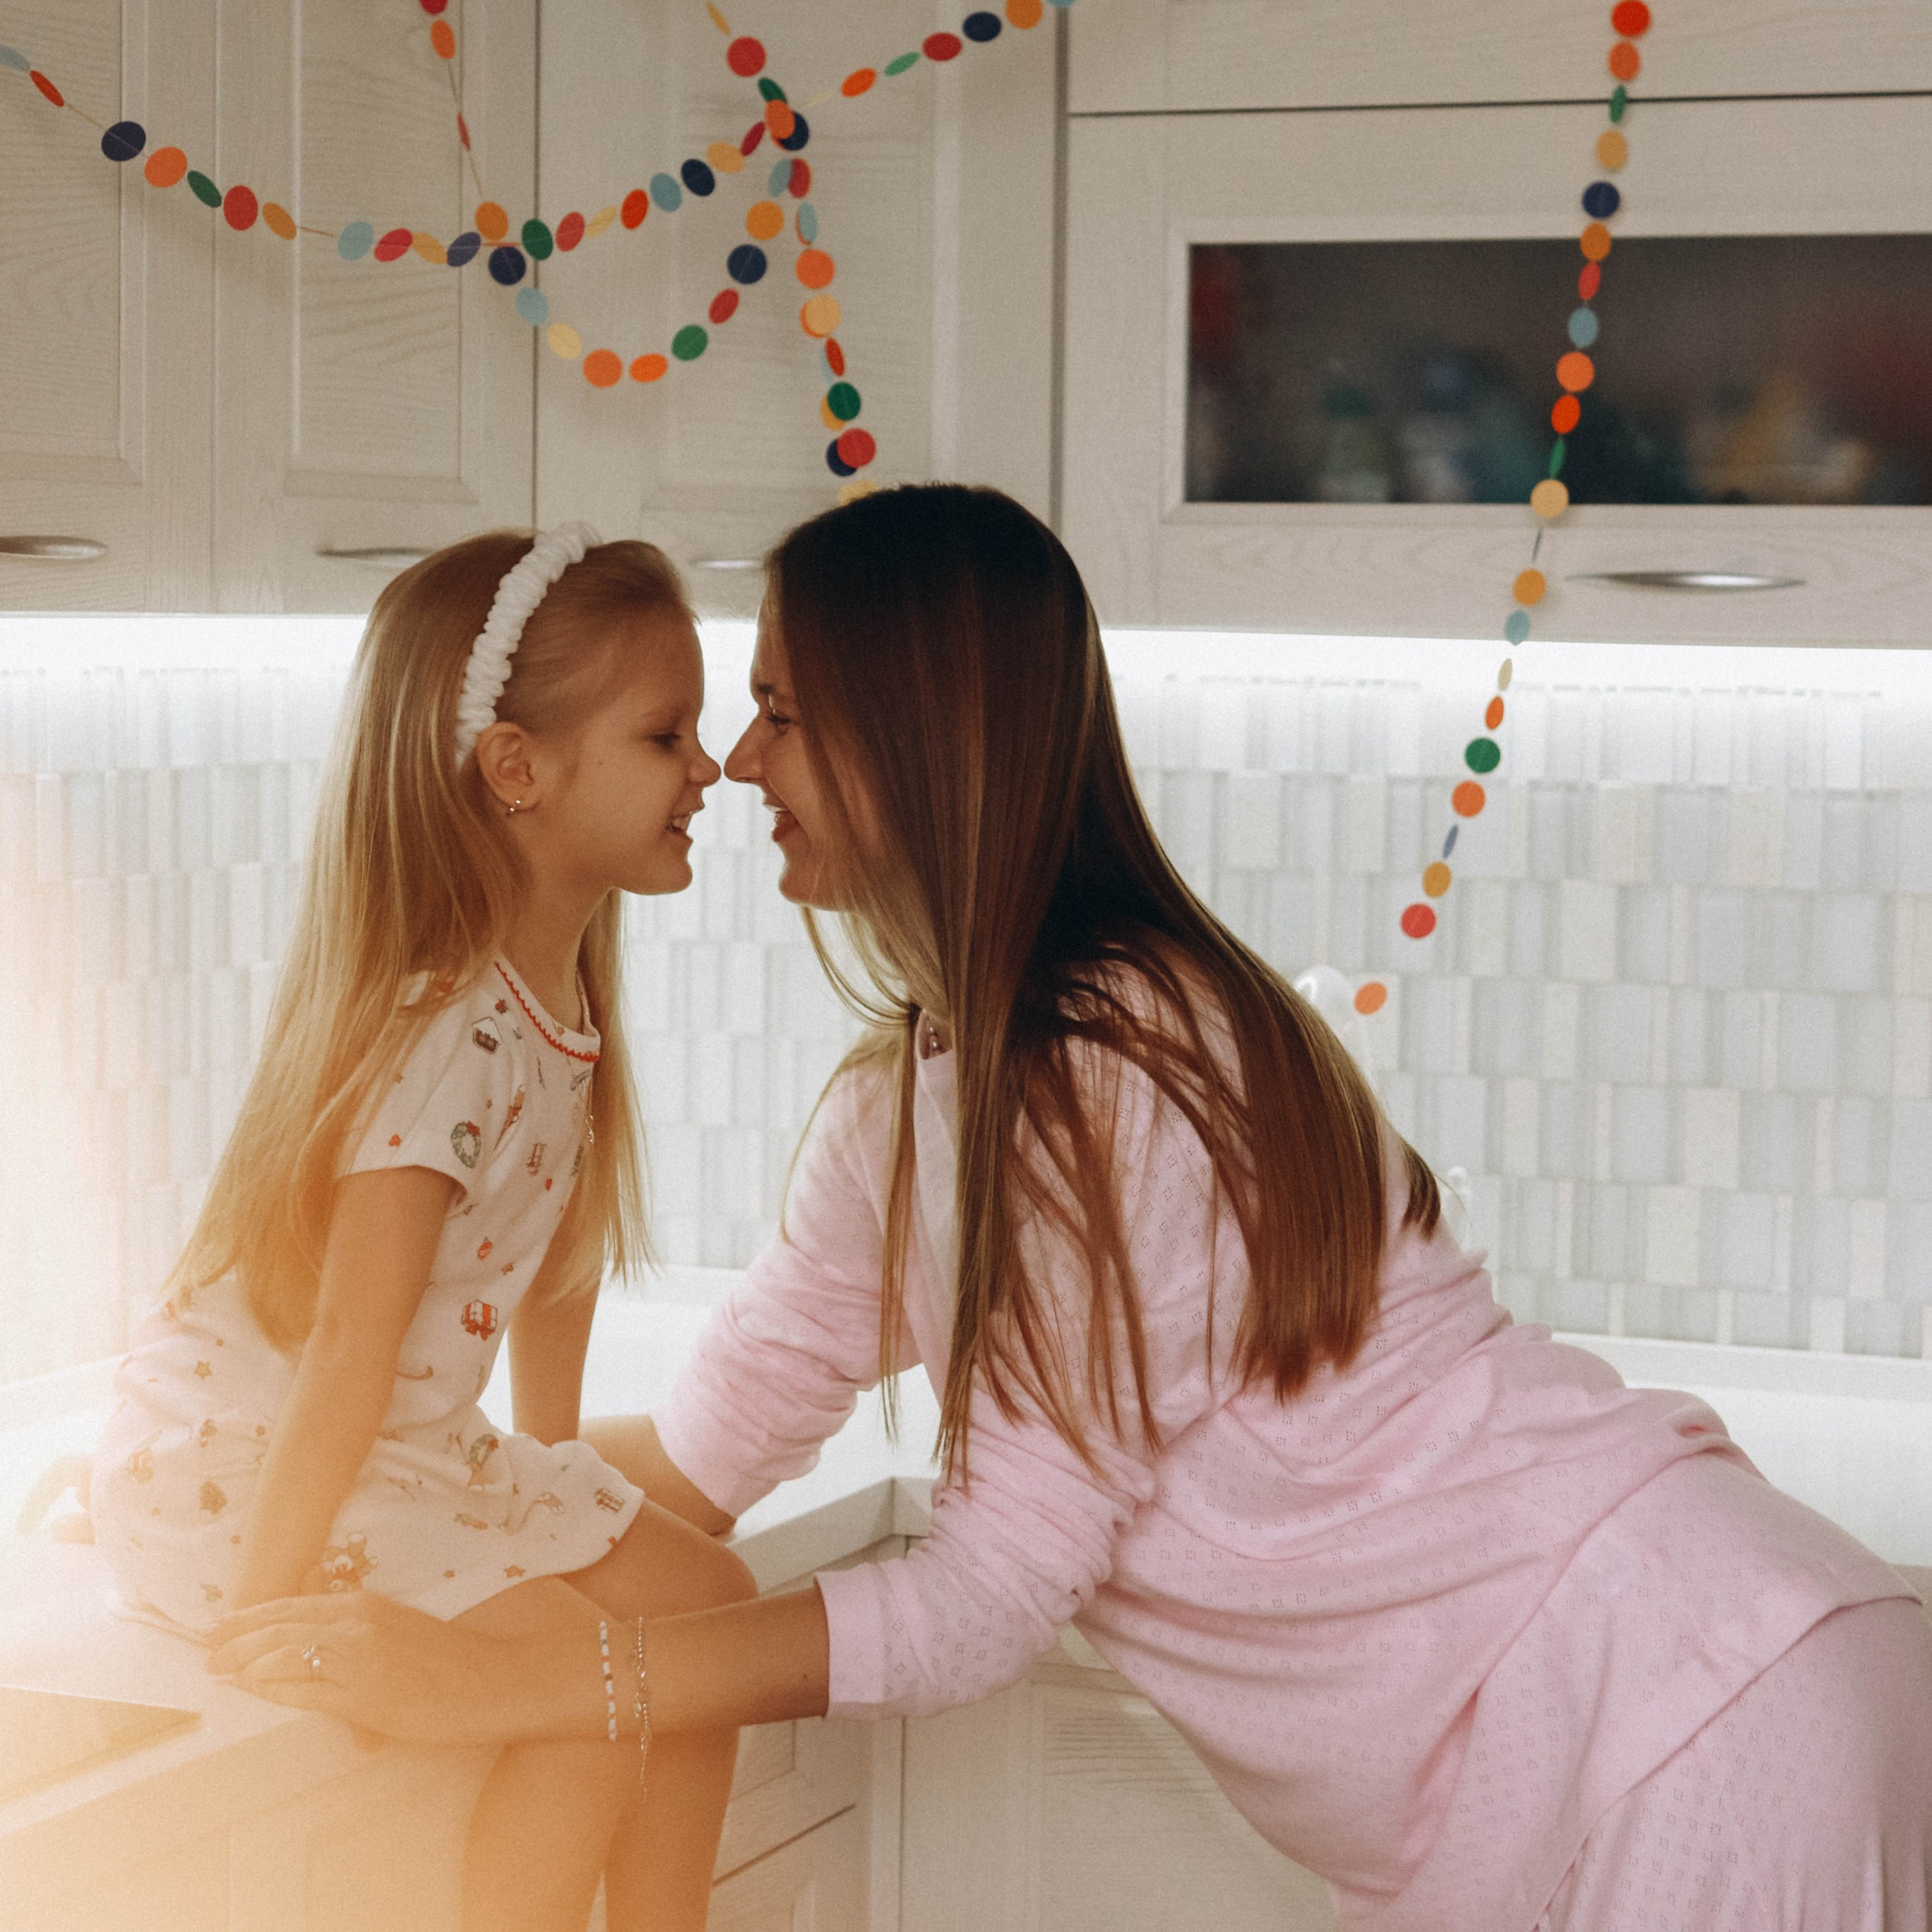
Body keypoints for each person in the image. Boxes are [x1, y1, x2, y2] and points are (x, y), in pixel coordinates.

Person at [207, 486, 1932, 1932]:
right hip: (1654, 1704)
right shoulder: (920, 1098)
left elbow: (983, 1597)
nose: (735, 760)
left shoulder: (1106, 1060)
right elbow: (698, 1454)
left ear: (917, 736)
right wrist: (222, 1483)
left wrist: (505, 1683)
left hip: (1683, 1697)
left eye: (783, 706)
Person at [92, 528, 752, 1932]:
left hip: (397, 1450)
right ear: (517, 770)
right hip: (252, 1467)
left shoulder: (556, 1003)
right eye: (667, 734)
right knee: (588, 1699)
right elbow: (344, 1347)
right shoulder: (441, 1034)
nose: (709, 768)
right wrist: (252, 1622)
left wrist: (559, 1477)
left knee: (719, 1617)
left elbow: (549, 1271)